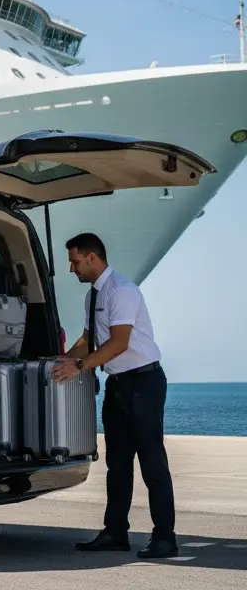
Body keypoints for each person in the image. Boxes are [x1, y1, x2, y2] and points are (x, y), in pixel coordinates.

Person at [52, 233, 178, 559]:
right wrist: (58, 362)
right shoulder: (92, 296)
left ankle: (165, 537)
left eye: (75, 261)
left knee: (152, 461)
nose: (72, 268)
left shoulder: (121, 290)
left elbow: (119, 342)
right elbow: (88, 340)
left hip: (144, 383)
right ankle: (115, 533)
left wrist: (80, 366)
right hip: (118, 384)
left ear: (92, 258)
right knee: (117, 464)